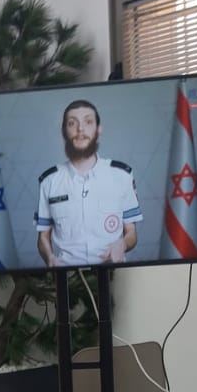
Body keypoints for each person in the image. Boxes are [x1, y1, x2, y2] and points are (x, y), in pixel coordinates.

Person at [35, 99, 141, 267]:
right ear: (64, 131)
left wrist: (122, 244)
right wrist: (50, 257)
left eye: (88, 122)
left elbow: (131, 233)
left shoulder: (122, 175)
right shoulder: (49, 181)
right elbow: (43, 237)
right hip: (67, 274)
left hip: (112, 271)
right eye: (72, 123)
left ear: (99, 129)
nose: (80, 129)